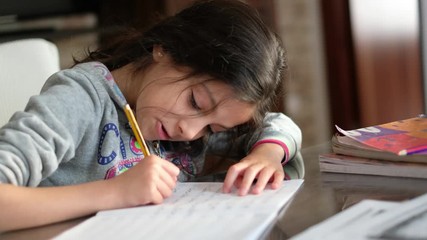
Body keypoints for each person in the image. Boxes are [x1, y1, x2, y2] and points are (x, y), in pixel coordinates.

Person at [0, 0, 303, 232]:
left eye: (212, 127)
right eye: (195, 101)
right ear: (166, 49)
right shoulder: (82, 98)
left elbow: (279, 124)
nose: (190, 131)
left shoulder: (185, 128)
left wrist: (268, 154)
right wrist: (114, 193)